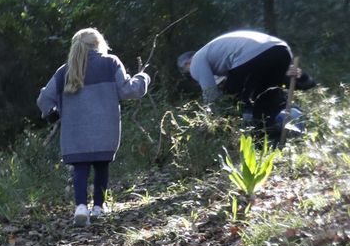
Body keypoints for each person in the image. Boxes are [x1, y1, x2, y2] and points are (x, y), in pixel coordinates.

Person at [37, 28, 150, 224]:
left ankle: (81, 207)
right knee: (101, 166)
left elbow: (44, 99)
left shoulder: (65, 71)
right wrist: (143, 78)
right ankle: (98, 207)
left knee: (80, 169)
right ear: (99, 44)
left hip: (75, 134)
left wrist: (53, 115)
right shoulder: (110, 62)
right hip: (104, 130)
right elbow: (127, 91)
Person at [178, 30, 312, 142]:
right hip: (282, 49)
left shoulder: (196, 64)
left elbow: (211, 97)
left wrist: (210, 124)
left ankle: (249, 142)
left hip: (252, 55)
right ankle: (272, 140)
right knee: (265, 101)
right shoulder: (218, 55)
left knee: (233, 103)